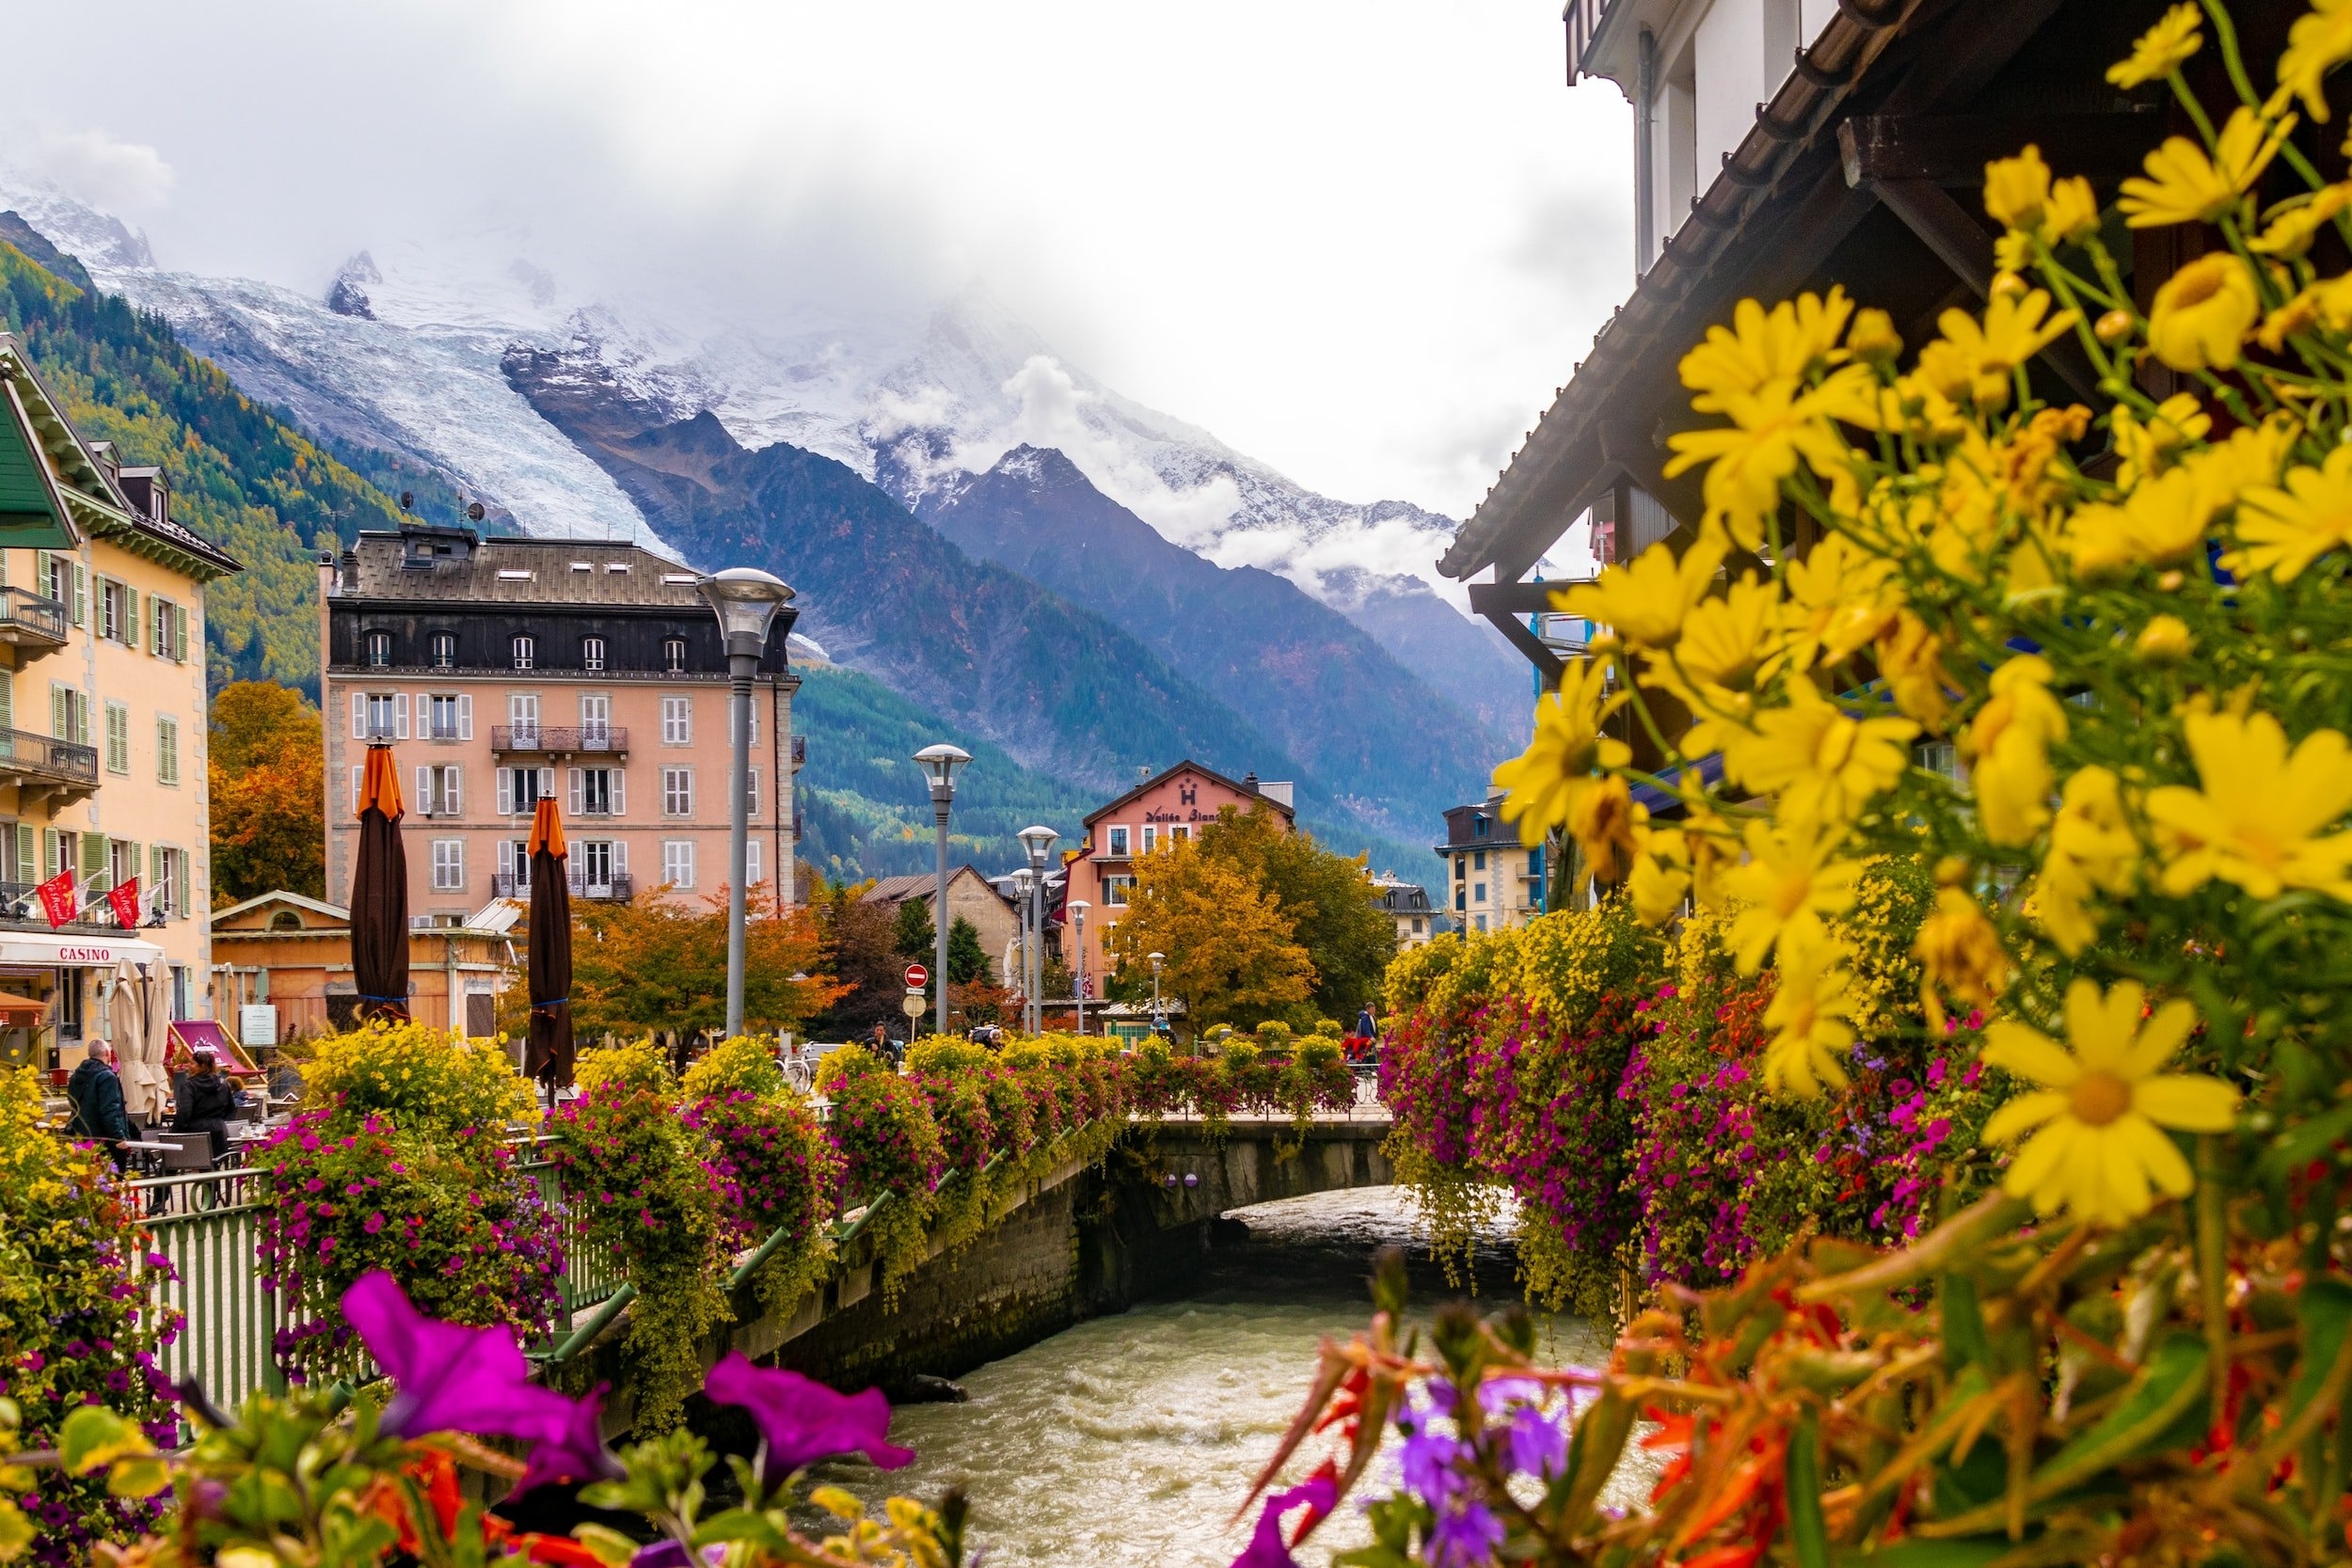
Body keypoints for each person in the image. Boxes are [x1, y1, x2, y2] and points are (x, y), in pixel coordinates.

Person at [66, 1043, 133, 1164]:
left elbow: (72, 1103)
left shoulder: (76, 1076)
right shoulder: (107, 1077)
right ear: (107, 1054)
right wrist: (118, 1138)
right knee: (111, 1179)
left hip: (82, 1138)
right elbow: (110, 1111)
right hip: (104, 1141)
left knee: (86, 1178)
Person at [173, 1048, 238, 1163]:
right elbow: (231, 1109)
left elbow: (184, 1111)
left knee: (187, 1163)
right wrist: (220, 1121)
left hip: (195, 1132)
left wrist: (175, 1132)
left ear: (202, 1066)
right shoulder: (224, 1084)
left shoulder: (189, 1086)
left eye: (192, 1063)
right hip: (218, 1130)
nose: (189, 1066)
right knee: (215, 1167)